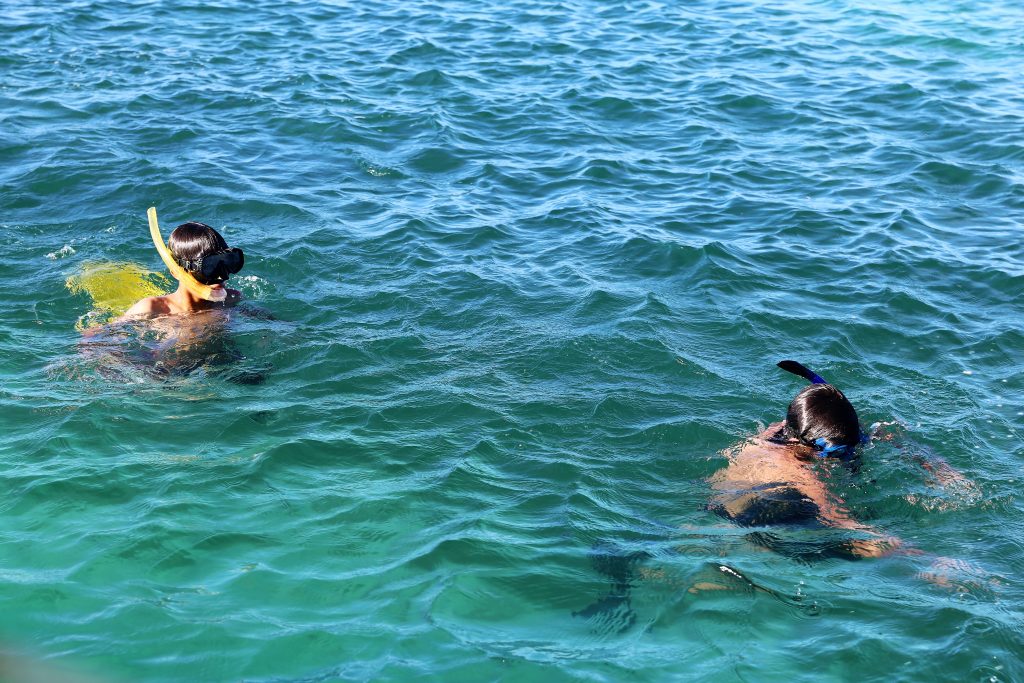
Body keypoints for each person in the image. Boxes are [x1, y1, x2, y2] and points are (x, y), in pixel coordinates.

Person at [707, 360, 899, 559]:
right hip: (757, 527)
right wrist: (915, 556)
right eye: (837, 453)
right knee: (872, 549)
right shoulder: (802, 477)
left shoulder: (771, 434)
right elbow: (846, 523)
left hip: (718, 507)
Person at [120, 221, 244, 320]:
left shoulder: (231, 299)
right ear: (176, 272)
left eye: (227, 263)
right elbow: (106, 339)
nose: (221, 277)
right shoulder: (153, 309)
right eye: (210, 267)